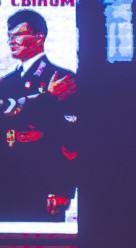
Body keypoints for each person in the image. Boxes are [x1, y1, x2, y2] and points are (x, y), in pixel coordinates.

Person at [0, 10, 78, 219]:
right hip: (6, 182)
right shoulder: (6, 83)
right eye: (9, 36)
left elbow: (70, 139)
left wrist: (63, 189)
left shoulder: (62, 78)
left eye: (18, 35)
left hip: (43, 186)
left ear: (38, 37)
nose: (11, 41)